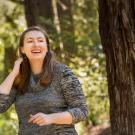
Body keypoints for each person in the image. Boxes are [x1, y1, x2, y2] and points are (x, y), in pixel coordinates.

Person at [0, 26, 88, 135]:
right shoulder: (18, 78)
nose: (36, 44)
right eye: (30, 41)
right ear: (22, 49)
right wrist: (13, 73)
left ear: (46, 47)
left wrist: (50, 118)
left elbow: (82, 111)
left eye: (40, 40)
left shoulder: (63, 73)